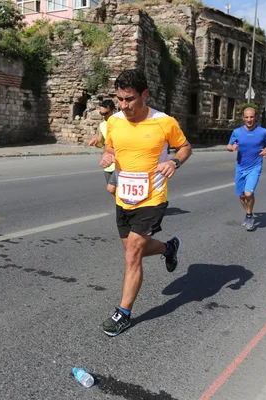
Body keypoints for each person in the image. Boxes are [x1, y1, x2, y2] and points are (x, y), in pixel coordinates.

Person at [99, 69, 192, 336]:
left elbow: (185, 147)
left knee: (132, 254)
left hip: (153, 196)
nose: (124, 106)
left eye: (129, 99)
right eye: (120, 99)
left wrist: (174, 161)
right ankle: (168, 248)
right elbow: (111, 148)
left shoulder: (164, 122)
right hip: (124, 195)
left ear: (144, 95)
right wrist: (108, 157)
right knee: (132, 248)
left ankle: (123, 314)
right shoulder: (114, 122)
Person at [227, 107, 266, 231]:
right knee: (241, 196)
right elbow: (229, 145)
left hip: (255, 167)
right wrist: (232, 148)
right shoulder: (237, 132)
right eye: (246, 117)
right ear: (243, 118)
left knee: (248, 193)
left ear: (255, 117)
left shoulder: (262, 132)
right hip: (240, 167)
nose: (249, 119)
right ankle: (249, 214)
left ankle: (248, 216)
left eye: (251, 117)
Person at [89, 99, 117, 195]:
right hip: (108, 164)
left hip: (119, 162)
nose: (104, 116)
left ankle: (124, 209)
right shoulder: (102, 125)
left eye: (106, 113)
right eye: (101, 114)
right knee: (113, 192)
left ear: (113, 110)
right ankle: (120, 209)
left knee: (112, 189)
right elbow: (101, 143)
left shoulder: (120, 123)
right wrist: (96, 142)